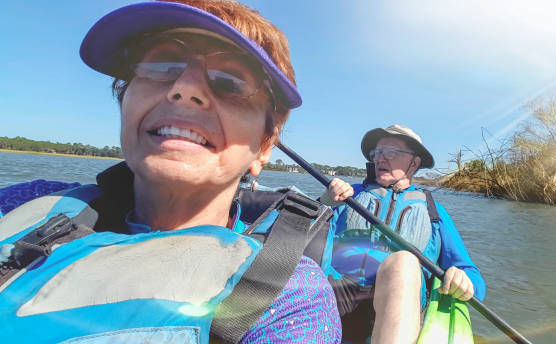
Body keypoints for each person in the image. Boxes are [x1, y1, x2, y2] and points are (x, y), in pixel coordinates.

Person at [0, 1, 341, 343]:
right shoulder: (23, 200)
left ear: (265, 146)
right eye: (161, 64)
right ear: (125, 103)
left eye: (231, 81)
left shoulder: (290, 298)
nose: (185, 88)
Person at [320, 124, 486, 343]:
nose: (380, 159)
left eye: (390, 153)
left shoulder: (433, 211)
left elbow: (473, 278)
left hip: (399, 302)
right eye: (376, 153)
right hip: (337, 294)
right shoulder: (346, 195)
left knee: (404, 262)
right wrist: (323, 203)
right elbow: (305, 239)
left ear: (413, 163)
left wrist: (463, 281)